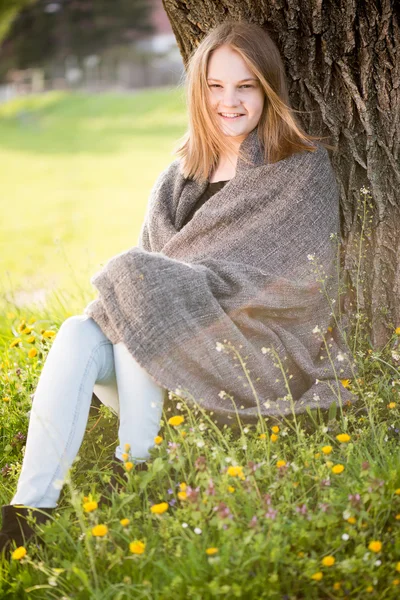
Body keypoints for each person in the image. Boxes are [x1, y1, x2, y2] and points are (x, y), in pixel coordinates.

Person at [0, 19, 353, 558]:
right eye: (215, 86)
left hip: (244, 356)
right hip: (155, 365)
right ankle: (29, 511)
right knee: (79, 330)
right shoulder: (180, 175)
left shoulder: (301, 170)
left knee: (143, 285)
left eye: (245, 86)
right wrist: (163, 288)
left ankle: (138, 464)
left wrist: (185, 288)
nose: (228, 102)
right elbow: (143, 283)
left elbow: (302, 286)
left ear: (268, 89)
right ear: (198, 92)